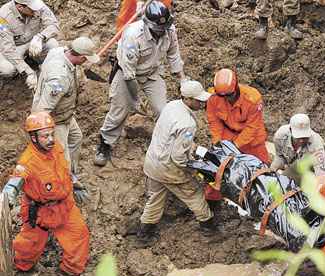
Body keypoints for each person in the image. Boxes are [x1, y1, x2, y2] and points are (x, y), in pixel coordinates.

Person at [94, 0, 186, 167]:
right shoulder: (132, 35)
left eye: (164, 28)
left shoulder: (169, 29)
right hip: (126, 74)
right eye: (158, 29)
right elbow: (129, 76)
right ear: (148, 24)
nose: (161, 32)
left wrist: (182, 80)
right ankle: (105, 144)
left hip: (152, 73)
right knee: (119, 111)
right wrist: (136, 100)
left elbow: (173, 55)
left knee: (163, 110)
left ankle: (164, 145)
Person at [1, 111, 90, 276]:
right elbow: (16, 180)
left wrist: (74, 182)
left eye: (51, 134)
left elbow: (62, 169)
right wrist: (9, 193)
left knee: (79, 235)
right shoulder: (27, 162)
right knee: (30, 244)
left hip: (64, 205)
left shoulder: (55, 147)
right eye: (44, 136)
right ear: (33, 138)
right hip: (40, 211)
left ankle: (70, 272)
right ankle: (21, 267)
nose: (50, 139)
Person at [137, 80, 216, 247]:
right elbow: (179, 157)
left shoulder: (172, 105)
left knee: (156, 198)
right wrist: (193, 169)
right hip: (168, 168)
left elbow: (169, 136)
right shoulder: (187, 124)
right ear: (187, 99)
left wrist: (192, 147)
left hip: (153, 162)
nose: (202, 103)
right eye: (198, 100)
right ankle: (208, 227)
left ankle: (144, 235)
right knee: (194, 194)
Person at [32, 36, 99, 181]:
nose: (86, 62)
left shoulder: (59, 51)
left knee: (76, 138)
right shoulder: (60, 78)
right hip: (55, 120)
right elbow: (43, 109)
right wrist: (42, 133)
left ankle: (71, 174)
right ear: (81, 57)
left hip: (66, 113)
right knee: (61, 158)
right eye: (86, 59)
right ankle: (63, 182)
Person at [205, 68, 269, 200]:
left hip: (252, 141)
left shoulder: (252, 98)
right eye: (222, 96)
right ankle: (213, 202)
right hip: (228, 135)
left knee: (261, 171)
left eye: (229, 95)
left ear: (236, 87)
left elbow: (252, 127)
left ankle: (263, 200)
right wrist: (218, 142)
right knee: (219, 171)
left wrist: (235, 145)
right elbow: (214, 121)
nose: (226, 99)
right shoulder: (214, 97)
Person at [0, 0, 60, 90]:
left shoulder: (38, 6)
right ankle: (23, 67)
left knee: (53, 45)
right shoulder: (3, 17)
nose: (36, 11)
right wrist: (28, 72)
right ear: (20, 7)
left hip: (35, 41)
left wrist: (40, 37)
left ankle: (39, 63)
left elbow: (54, 25)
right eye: (33, 9)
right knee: (7, 69)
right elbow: (8, 48)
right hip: (15, 47)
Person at [271, 113, 325, 183]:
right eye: (298, 137)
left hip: (315, 167)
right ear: (290, 130)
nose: (301, 140)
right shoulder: (280, 136)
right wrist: (272, 171)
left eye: (304, 137)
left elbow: (323, 175)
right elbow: (280, 156)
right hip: (295, 165)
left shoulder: (316, 144)